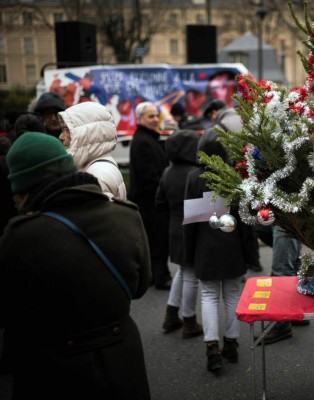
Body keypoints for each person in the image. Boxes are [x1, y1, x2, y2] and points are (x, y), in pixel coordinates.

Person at [0, 132, 152, 399]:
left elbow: (10, 313)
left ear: (24, 189)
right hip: (122, 361)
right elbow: (140, 286)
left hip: (52, 371)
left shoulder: (20, 235)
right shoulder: (126, 214)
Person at [183, 111, 254, 373]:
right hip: (233, 247)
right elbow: (244, 222)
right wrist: (251, 255)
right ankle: (232, 344)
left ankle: (211, 348)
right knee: (232, 295)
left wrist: (187, 254)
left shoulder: (194, 178)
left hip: (204, 249)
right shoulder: (234, 178)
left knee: (210, 297)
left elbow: (191, 221)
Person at [156, 130, 203, 339]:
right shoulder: (194, 173)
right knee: (191, 275)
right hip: (191, 227)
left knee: (183, 272)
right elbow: (206, 205)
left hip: (174, 228)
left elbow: (159, 203)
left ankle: (171, 314)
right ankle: (190, 321)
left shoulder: (168, 172)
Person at [129, 101, 172, 290]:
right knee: (157, 240)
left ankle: (156, 275)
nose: (155, 120)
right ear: (139, 119)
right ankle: (160, 276)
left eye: (156, 115)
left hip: (152, 200)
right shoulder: (143, 141)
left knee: (155, 240)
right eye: (151, 116)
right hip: (150, 202)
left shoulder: (148, 138)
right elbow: (149, 175)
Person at [58, 101, 127, 200]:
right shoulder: (94, 167)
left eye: (67, 130)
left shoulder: (98, 175)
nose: (61, 136)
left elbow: (95, 215)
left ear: (87, 134)